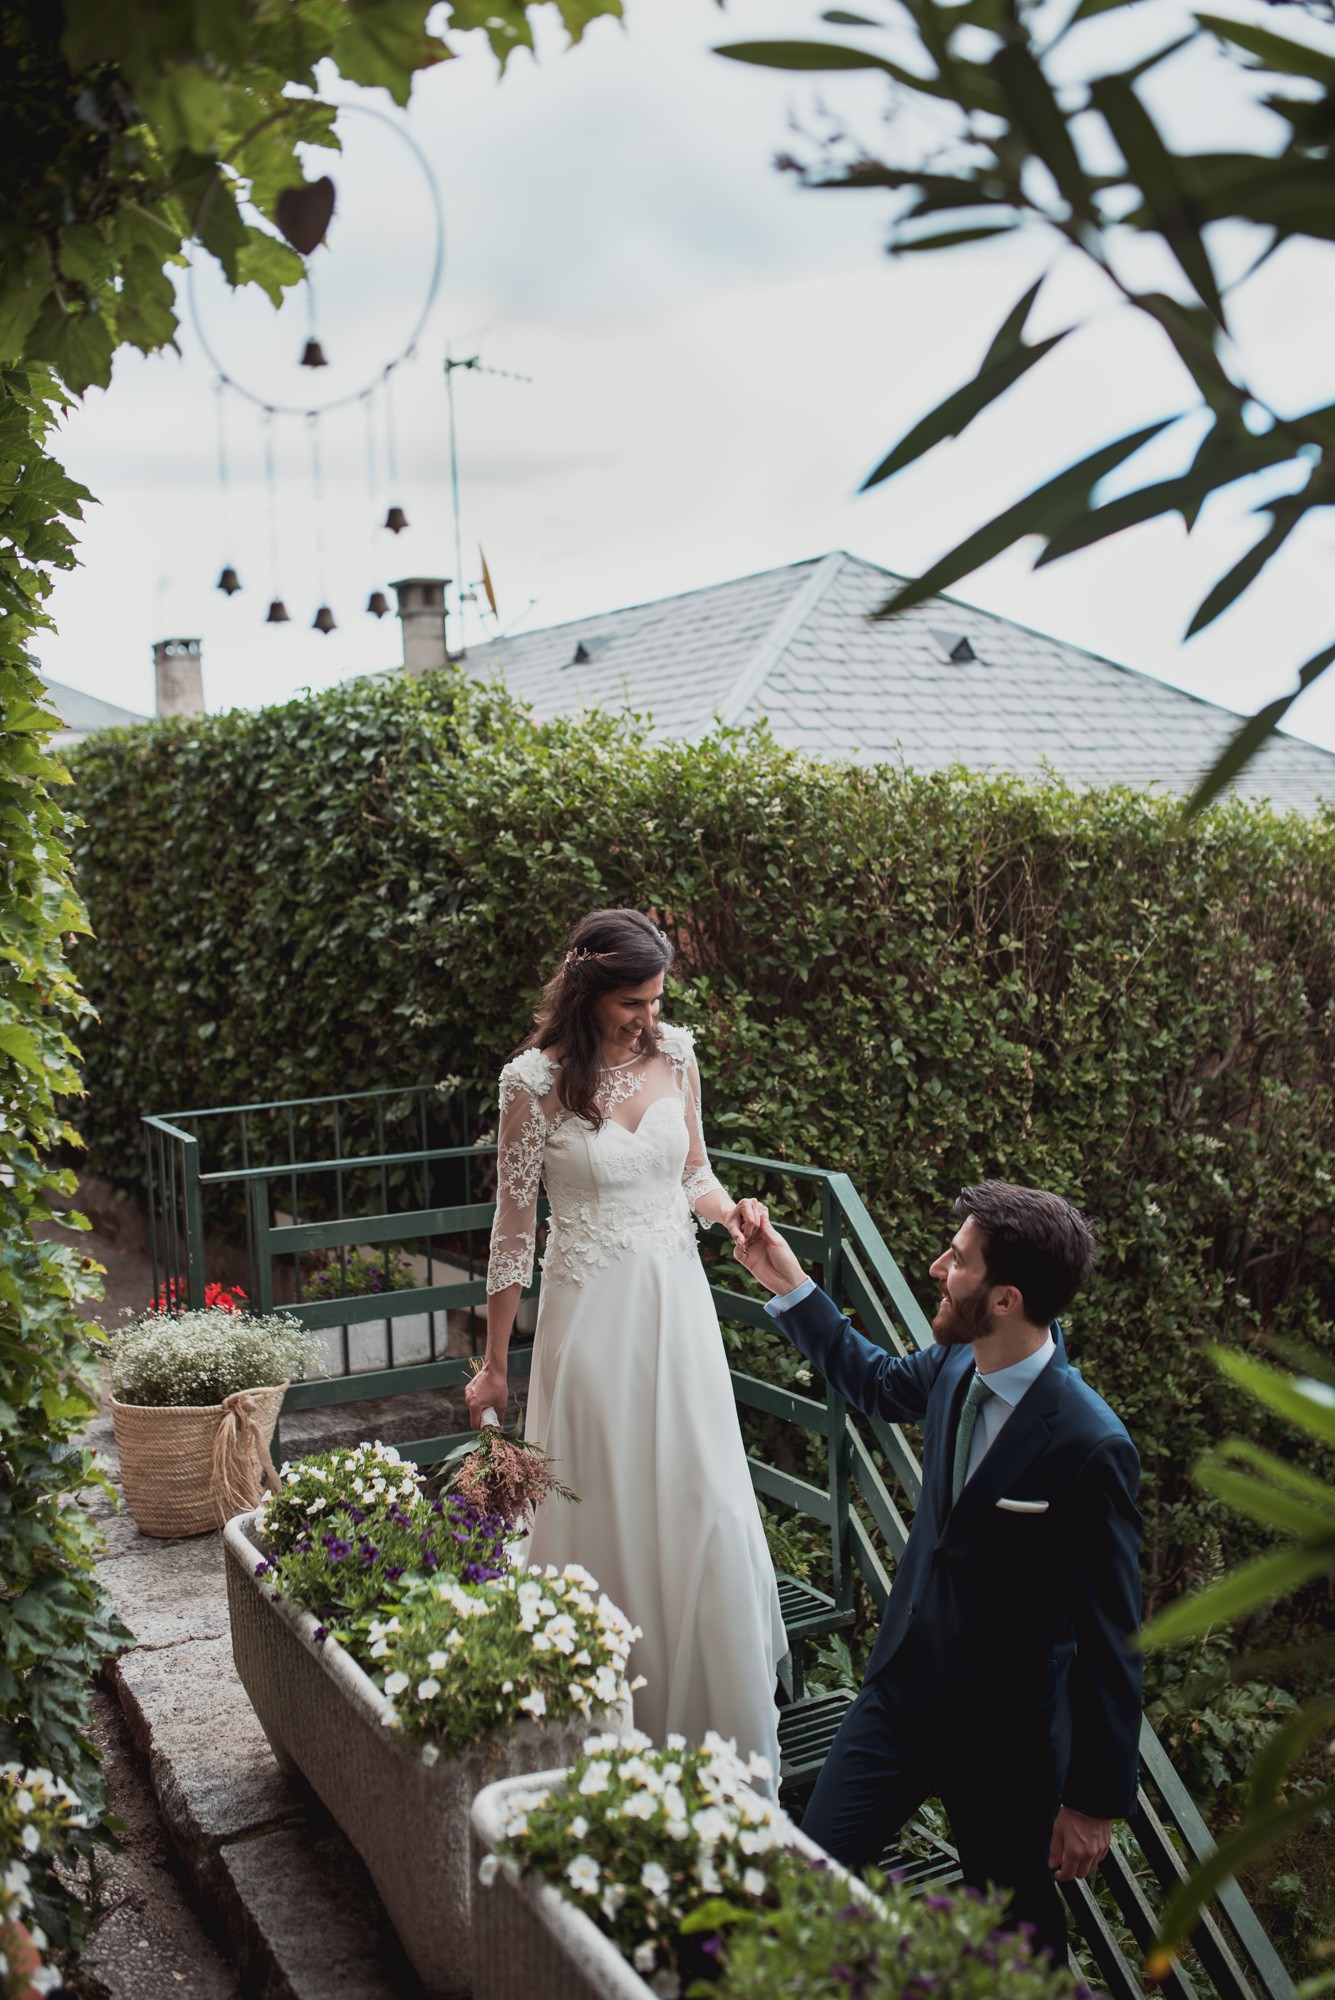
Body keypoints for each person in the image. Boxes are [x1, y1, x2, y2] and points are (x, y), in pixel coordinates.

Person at [734, 1180, 1142, 1961]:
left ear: (1003, 1299)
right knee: (806, 1876)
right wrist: (786, 1279)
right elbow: (881, 1382)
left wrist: (1092, 1802)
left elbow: (1113, 1635)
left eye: (956, 1260)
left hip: (1007, 1741)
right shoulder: (958, 1364)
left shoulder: (1089, 1445)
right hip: (900, 1695)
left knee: (1022, 1944)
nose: (934, 1267)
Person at [465, 907, 786, 1777]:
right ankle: (605, 1727)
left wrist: (735, 1215)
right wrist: (495, 1365)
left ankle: (707, 1727)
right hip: (590, 1324)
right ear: (587, 989)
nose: (647, 1018)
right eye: (632, 1003)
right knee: (605, 1504)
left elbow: (695, 1176)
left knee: (703, 1498)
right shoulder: (529, 1083)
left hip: (677, 1316)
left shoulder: (676, 1054)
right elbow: (512, 1228)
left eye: (654, 1000)